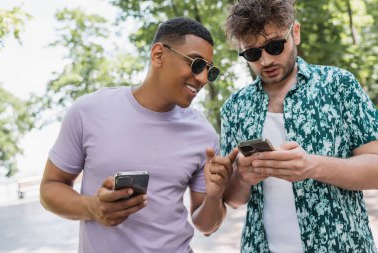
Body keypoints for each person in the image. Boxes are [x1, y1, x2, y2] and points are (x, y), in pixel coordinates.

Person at [40, 17, 237, 253]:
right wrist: (91, 207)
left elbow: (206, 226)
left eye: (209, 71)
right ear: (158, 55)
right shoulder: (88, 111)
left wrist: (215, 197)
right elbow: (49, 188)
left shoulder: (203, 134)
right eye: (196, 65)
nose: (203, 78)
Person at [221, 1, 378, 253]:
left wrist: (312, 166)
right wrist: (241, 177)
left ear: (295, 33)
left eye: (274, 46)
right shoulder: (234, 107)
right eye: (252, 53)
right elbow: (233, 199)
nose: (265, 60)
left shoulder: (339, 85)